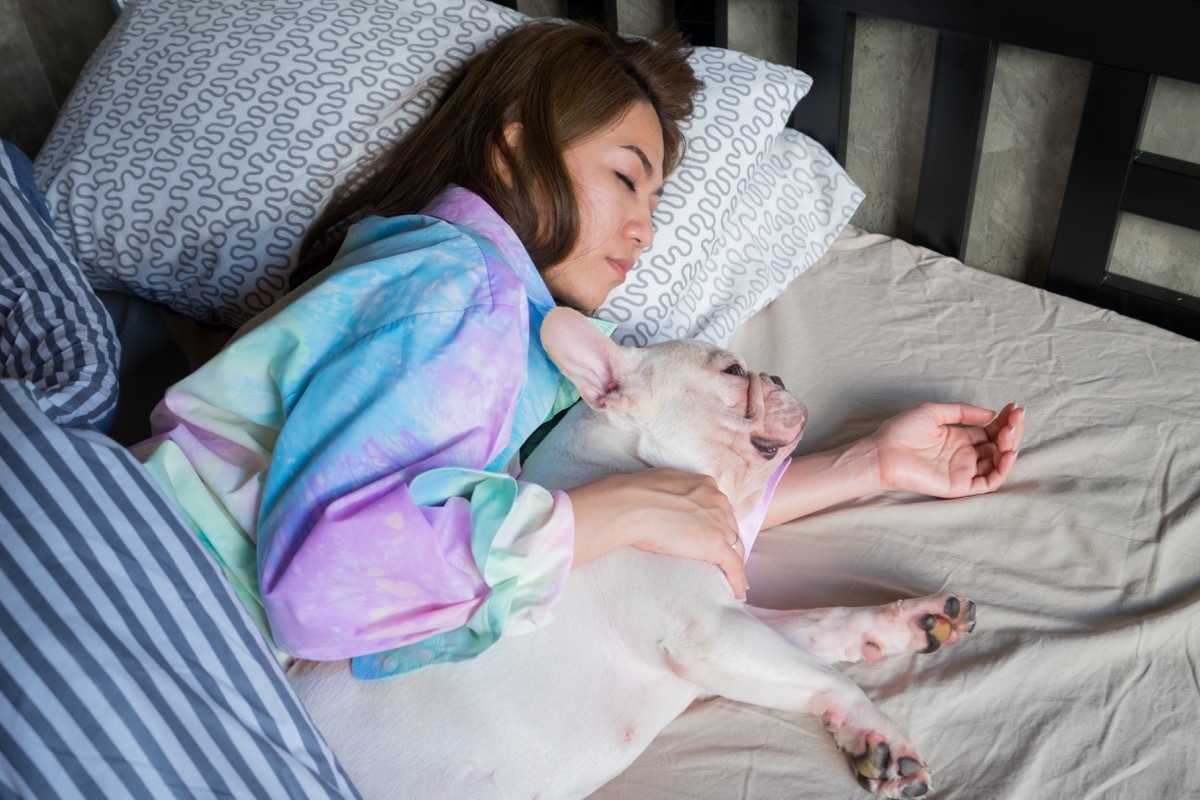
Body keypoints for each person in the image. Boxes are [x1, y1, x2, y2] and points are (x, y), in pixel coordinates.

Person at [133, 20, 1024, 679]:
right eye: (626, 178)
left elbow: (676, 490)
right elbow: (321, 586)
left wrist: (871, 465)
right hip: (147, 605)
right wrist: (610, 514)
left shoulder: (488, 312)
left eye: (656, 203)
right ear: (514, 155)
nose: (643, 229)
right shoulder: (464, 294)